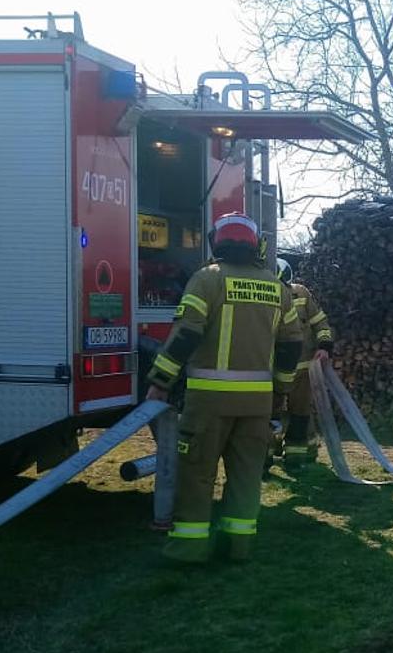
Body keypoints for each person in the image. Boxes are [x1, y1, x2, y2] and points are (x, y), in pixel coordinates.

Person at [144, 212, 304, 563]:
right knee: (246, 477)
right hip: (258, 404)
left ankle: (188, 548)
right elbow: (292, 344)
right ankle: (237, 546)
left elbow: (186, 334)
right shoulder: (277, 288)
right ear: (255, 246)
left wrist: (159, 382)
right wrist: (281, 390)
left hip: (208, 402)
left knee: (197, 474)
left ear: (217, 242)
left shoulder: (207, 279)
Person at [273, 258, 336, 467]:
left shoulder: (301, 293)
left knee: (300, 414)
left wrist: (324, 346)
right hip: (273, 371)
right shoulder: (265, 296)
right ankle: (265, 458)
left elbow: (320, 323)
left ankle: (296, 458)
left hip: (302, 371)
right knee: (268, 415)